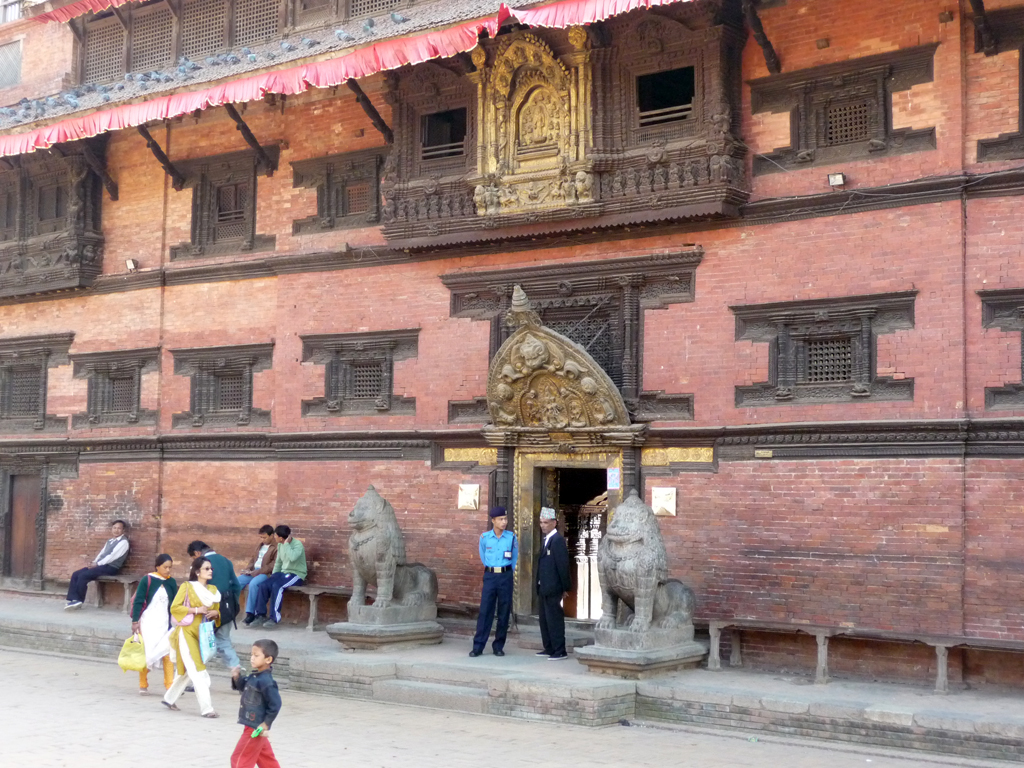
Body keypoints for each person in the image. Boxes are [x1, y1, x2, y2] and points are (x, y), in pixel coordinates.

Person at [162, 556, 221, 718]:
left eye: (211, 569)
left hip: (202, 634)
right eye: (206, 569)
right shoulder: (187, 587)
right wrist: (196, 610)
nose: (210, 571)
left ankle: (169, 698)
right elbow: (175, 608)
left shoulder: (213, 591)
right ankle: (207, 708)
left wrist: (216, 613)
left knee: (188, 670)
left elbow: (216, 612)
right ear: (197, 572)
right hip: (186, 633)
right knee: (197, 669)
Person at [187, 540, 242, 674]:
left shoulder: (201, 564)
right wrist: (231, 606)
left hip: (206, 609)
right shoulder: (226, 561)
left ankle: (195, 678)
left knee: (198, 642)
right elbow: (236, 586)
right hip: (227, 607)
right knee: (224, 640)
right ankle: (236, 670)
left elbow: (195, 589)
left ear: (197, 553)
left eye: (194, 557)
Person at [470, 506, 518, 658]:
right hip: (490, 575)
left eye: (505, 519)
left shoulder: (511, 537)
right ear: (493, 521)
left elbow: (514, 558)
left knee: (503, 611)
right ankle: (478, 646)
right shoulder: (485, 538)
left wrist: (507, 571)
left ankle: (498, 646)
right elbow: (483, 556)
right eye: (501, 519)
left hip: (505, 576)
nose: (504, 522)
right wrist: (492, 569)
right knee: (485, 611)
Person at [230, 639, 283, 768]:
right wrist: (236, 677)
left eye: (256, 655)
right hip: (252, 724)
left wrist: (266, 724)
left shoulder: (267, 682)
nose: (252, 658)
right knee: (266, 759)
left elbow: (275, 705)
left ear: (268, 659)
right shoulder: (255, 676)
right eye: (251, 655)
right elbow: (243, 686)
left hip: (256, 728)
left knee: (239, 759)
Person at [130, 554, 178, 694]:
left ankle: (169, 685)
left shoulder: (171, 582)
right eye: (165, 567)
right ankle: (143, 682)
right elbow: (139, 600)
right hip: (148, 622)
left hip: (165, 623)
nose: (168, 570)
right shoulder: (148, 580)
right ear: (157, 566)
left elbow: (174, 603)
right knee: (146, 651)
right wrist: (135, 621)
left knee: (167, 652)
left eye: (170, 567)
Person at [65, 520, 130, 610]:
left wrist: (97, 564)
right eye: (114, 528)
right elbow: (101, 553)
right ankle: (72, 599)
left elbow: (112, 556)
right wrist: (94, 562)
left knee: (84, 575)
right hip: (101, 565)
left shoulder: (123, 542)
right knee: (76, 574)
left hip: (111, 567)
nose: (116, 530)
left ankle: (78, 600)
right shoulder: (110, 541)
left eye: (119, 528)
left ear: (123, 530)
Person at [252, 525, 306, 628]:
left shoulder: (297, 544)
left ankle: (274, 618)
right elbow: (278, 562)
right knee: (264, 585)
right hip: (283, 573)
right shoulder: (280, 545)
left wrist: (286, 545)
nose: (274, 538)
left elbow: (292, 558)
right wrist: (273, 576)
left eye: (276, 536)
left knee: (277, 586)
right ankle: (260, 615)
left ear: (281, 537)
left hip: (296, 574)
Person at [535, 507, 571, 660]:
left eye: (546, 522)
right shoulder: (546, 540)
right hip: (544, 586)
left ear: (554, 523)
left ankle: (559, 650)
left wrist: (565, 587)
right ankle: (548, 647)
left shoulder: (557, 541)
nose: (543, 525)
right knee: (544, 619)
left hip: (553, 586)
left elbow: (563, 566)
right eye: (541, 522)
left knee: (554, 619)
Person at [239, 526, 278, 626]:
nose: (262, 540)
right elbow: (253, 559)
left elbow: (273, 565)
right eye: (261, 537)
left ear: (272, 536)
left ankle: (250, 613)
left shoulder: (276, 547)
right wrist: (248, 569)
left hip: (265, 574)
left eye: (264, 537)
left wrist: (259, 572)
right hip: (253, 572)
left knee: (254, 584)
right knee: (237, 581)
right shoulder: (259, 546)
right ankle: (229, 608)